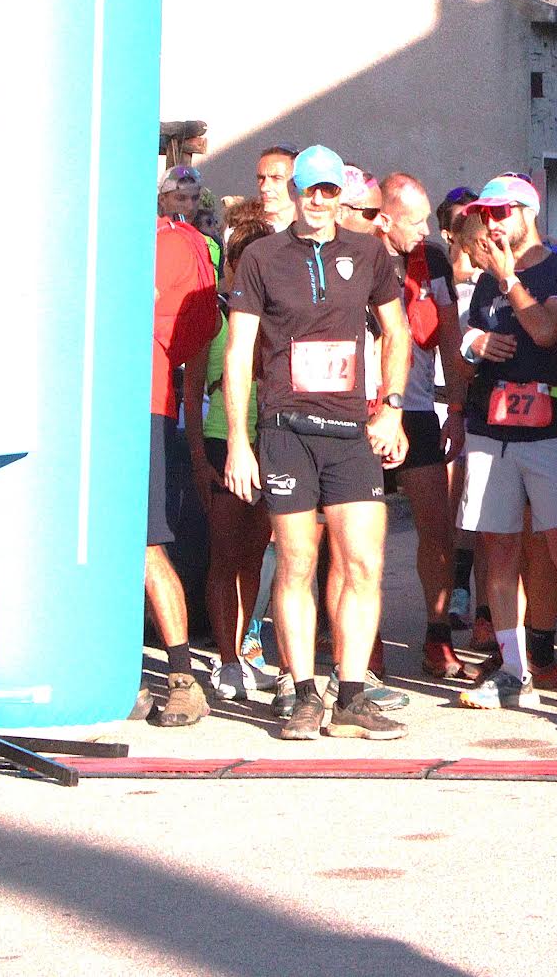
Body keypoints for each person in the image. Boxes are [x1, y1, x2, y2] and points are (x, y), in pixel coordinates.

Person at [221, 143, 412, 741]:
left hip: (352, 431)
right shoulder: (260, 256)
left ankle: (352, 693)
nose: (323, 201)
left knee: (363, 562)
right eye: (313, 190)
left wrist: (393, 411)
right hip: (285, 430)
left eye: (333, 191)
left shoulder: (367, 252)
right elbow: (239, 351)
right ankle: (303, 692)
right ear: (296, 191)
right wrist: (237, 441)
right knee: (297, 562)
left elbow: (396, 333)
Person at [453, 173, 557, 714]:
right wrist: (476, 343)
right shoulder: (489, 278)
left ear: (528, 212)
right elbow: (468, 335)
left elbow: (545, 331)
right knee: (499, 549)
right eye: (487, 215)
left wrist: (510, 278)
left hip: (549, 428)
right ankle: (513, 668)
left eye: (503, 213)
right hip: (491, 429)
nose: (492, 224)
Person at [374, 172, 470, 682]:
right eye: (413, 221)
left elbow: (449, 334)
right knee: (357, 537)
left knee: (436, 527)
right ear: (384, 219)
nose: (424, 230)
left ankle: (438, 634)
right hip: (363, 407)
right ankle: (363, 642)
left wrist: (455, 406)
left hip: (415, 406)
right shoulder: (360, 253)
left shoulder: (430, 259)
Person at [191, 205, 275, 701]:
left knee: (253, 556)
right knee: (224, 556)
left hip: (272, 442)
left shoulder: (279, 314)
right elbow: (190, 388)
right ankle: (224, 662)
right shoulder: (217, 317)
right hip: (226, 442)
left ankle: (245, 651)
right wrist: (200, 459)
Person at [143, 208, 222, 727]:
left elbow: (200, 326)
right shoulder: (182, 241)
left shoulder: (170, 242)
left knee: (145, 544)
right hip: (122, 404)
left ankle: (183, 677)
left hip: (141, 404)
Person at [255, 145, 298, 232]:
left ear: (297, 183)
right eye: (261, 178)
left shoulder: (318, 229)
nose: (264, 187)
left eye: (276, 178)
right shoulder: (246, 233)